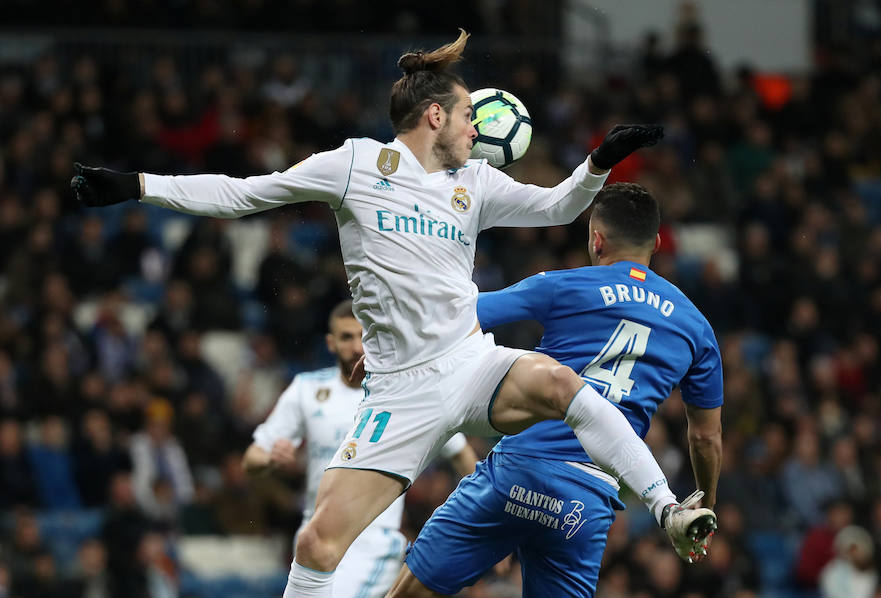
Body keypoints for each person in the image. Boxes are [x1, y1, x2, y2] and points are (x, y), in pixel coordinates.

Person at [71, 30, 714, 598]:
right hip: (401, 391)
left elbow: (555, 208)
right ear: (435, 115)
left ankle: (667, 508)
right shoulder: (353, 165)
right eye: (468, 116)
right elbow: (243, 195)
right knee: (317, 546)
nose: (477, 130)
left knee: (561, 384)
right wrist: (136, 186)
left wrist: (599, 163)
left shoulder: (476, 183)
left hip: (469, 360)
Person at [387, 182, 724, 597]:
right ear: (656, 242)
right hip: (586, 500)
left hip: (517, 471)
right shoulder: (696, 328)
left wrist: (394, 345)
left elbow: (459, 317)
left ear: (596, 239)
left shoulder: (562, 285)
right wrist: (705, 504)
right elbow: (705, 437)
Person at [242, 300, 477, 597]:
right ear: (330, 343)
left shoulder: (406, 392)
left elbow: (461, 453)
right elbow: (252, 457)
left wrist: (482, 520)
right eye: (346, 337)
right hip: (313, 535)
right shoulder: (306, 389)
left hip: (372, 540)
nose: (356, 347)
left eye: (362, 336)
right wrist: (269, 459)